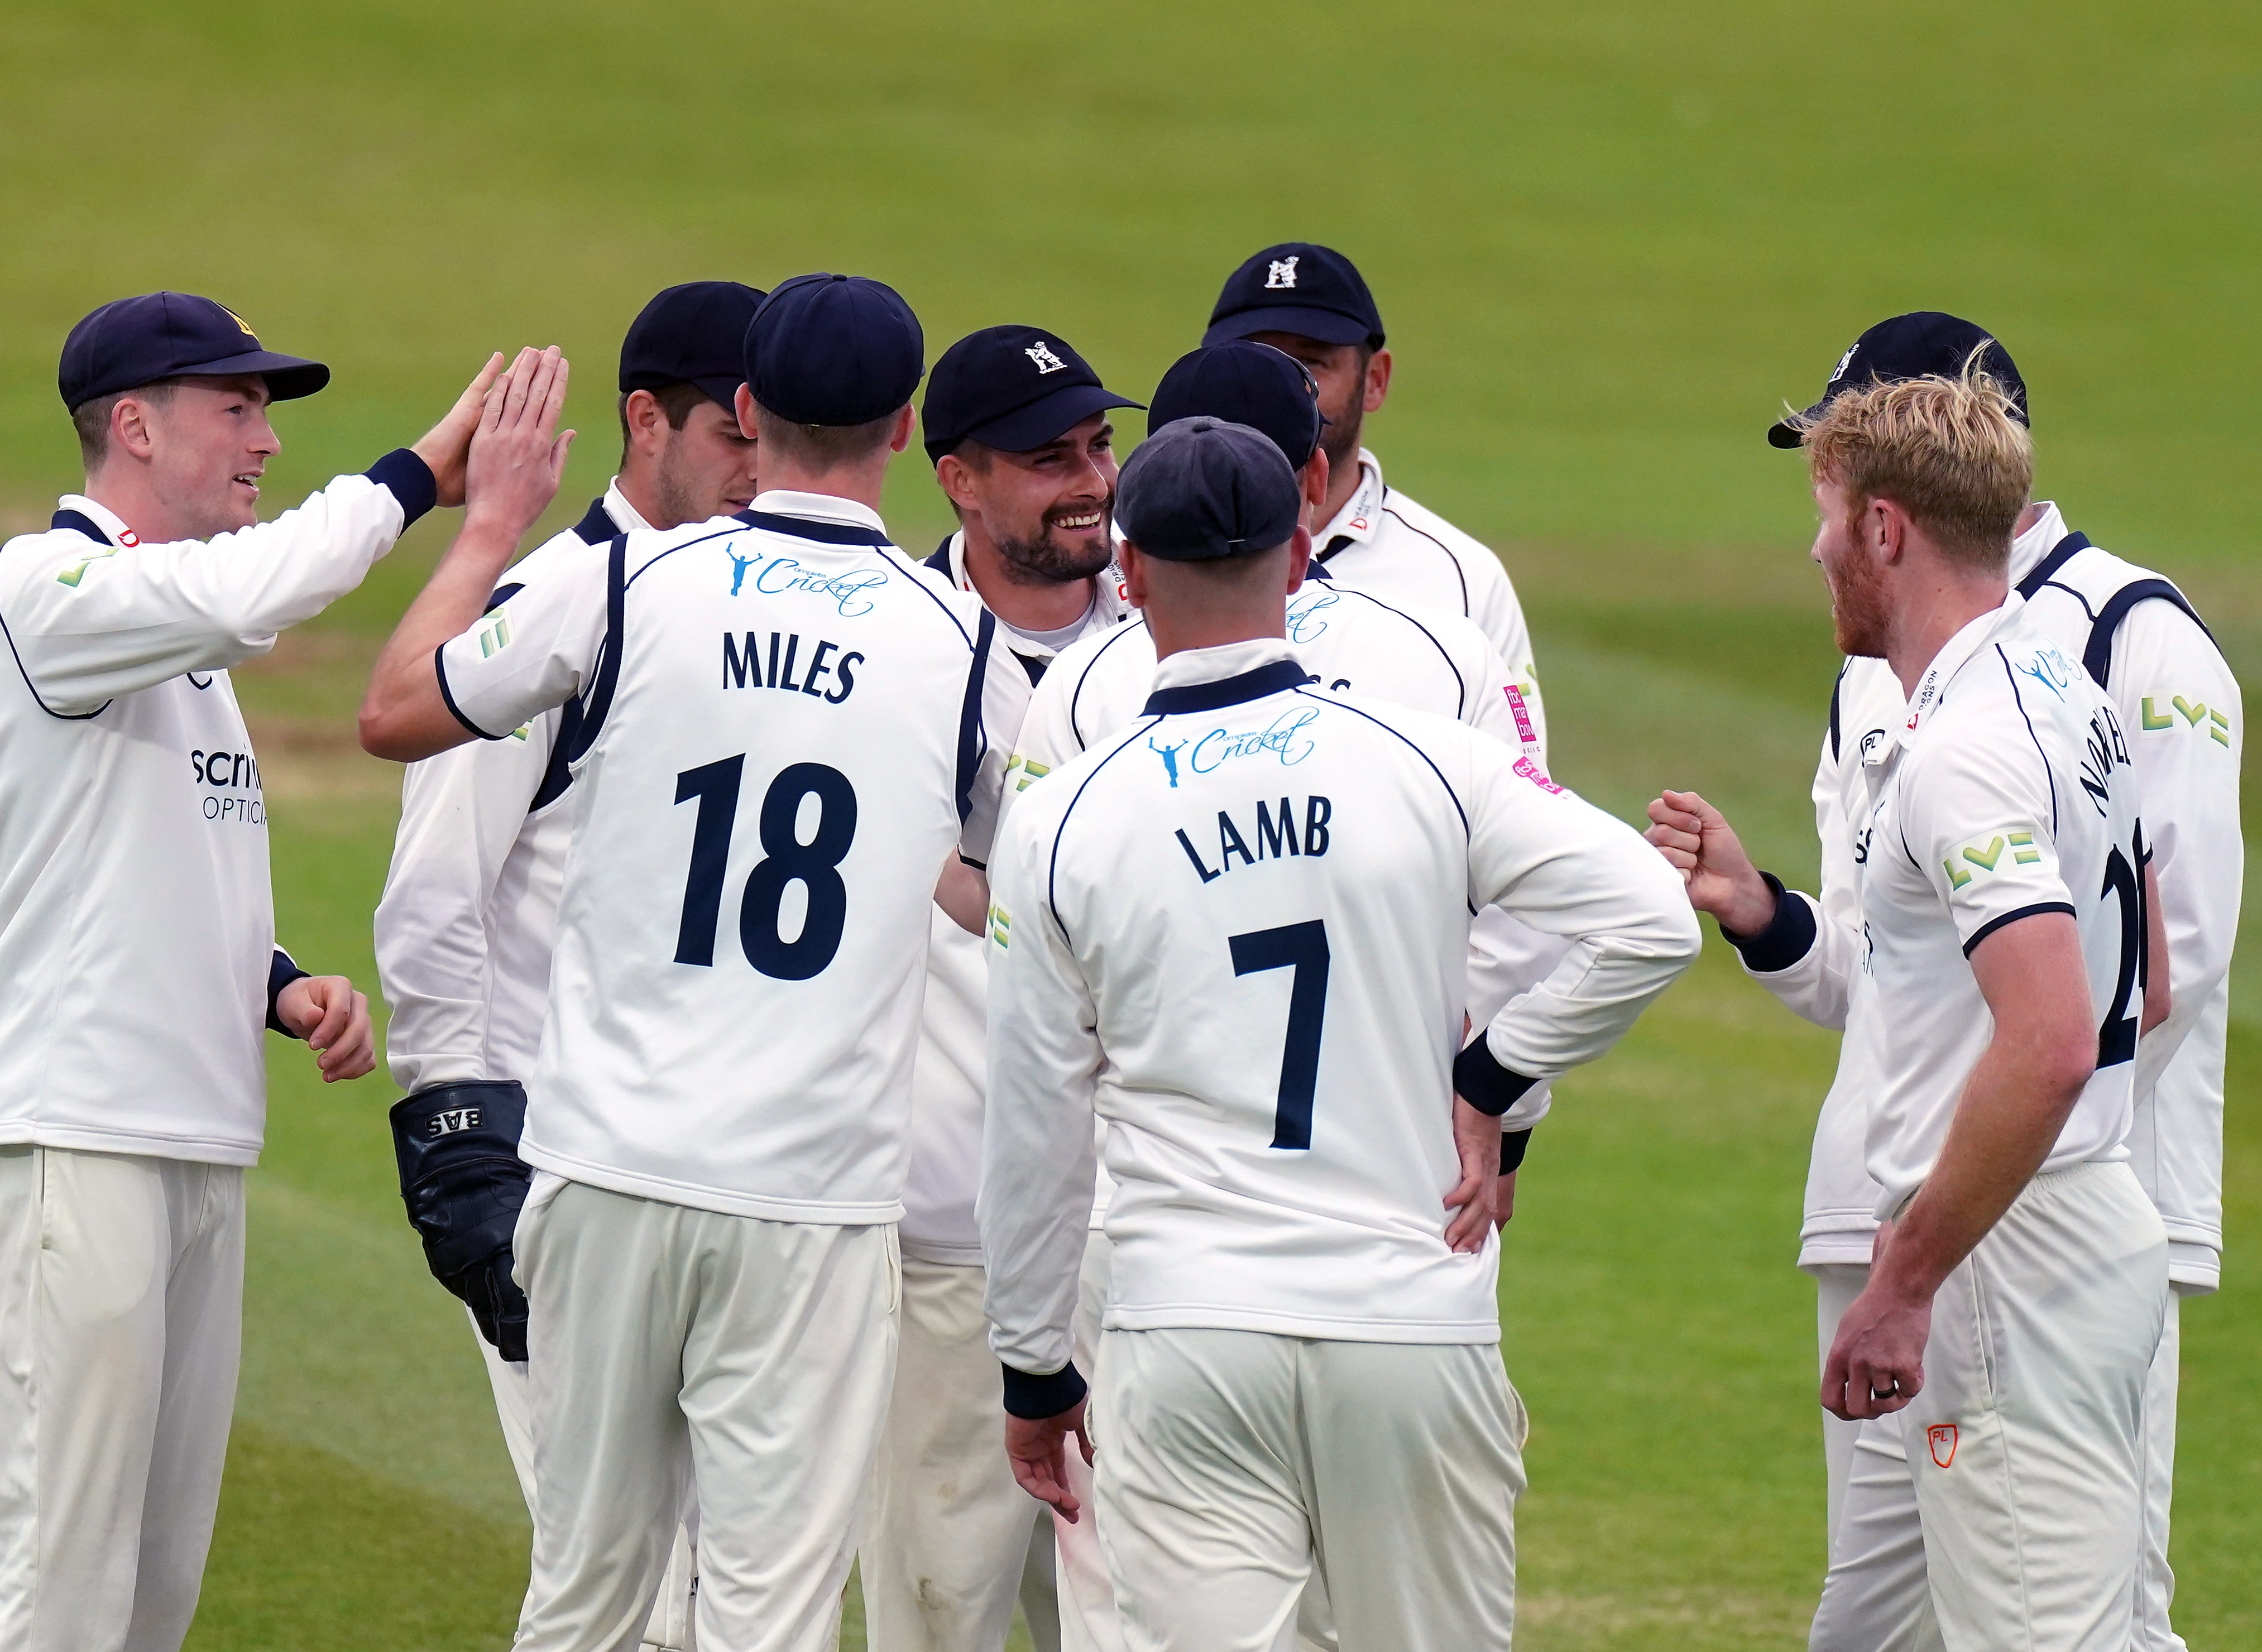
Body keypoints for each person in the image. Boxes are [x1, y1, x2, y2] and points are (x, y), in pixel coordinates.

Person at [355, 276, 1029, 1652]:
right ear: (905, 427)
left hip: (604, 1169)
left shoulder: (615, 582)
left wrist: (488, 524)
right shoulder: (960, 640)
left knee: (586, 1598)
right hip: (814, 1199)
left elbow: (395, 712)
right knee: (766, 1614)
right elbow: (1017, 884)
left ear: (753, 413)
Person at [979, 417, 1700, 1650]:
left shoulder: (1067, 815)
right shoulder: (1435, 760)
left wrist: (1036, 1370)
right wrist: (1495, 1074)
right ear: (1301, 562)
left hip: (1189, 1328)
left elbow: (1035, 1125)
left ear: (1131, 573)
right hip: (1412, 1321)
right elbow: (1652, 919)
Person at [1655, 315, 2242, 1652]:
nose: (1810, 546)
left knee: (2044, 1628)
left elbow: (2059, 1036)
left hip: (2003, 1230)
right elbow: (2124, 959)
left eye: (1826, 509)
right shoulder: (2054, 689)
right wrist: (1769, 916)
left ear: (1887, 528)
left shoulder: (1969, 742)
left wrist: (1911, 1268)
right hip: (2055, 1215)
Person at [0, 290, 523, 1651]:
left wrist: (277, 981)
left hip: (191, 1133)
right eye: (239, 404)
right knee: (61, 1579)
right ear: (134, 424)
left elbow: (121, 861)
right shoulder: (52, 585)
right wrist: (423, 477)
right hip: (69, 1130)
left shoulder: (175, 643)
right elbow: (261, 582)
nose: (265, 437)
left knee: (152, 1587)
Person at [372, 278, 765, 1651]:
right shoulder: (547, 604)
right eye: (734, 433)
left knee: (731, 1596)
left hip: (719, 1176)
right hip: (558, 1182)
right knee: (629, 1598)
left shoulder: (744, 625)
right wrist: (460, 1135)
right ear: (644, 420)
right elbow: (433, 896)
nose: (757, 468)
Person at [862, 323, 1140, 1652]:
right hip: (945, 1234)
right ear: (959, 477)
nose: (1091, 477)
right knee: (937, 1606)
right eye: (1049, 457)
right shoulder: (886, 654)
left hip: (1141, 1241)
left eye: (1100, 444)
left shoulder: (1171, 650)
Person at [1201, 241, 1544, 735]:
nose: (1277, 388)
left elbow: (1517, 785)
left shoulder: (1463, 577)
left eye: (1311, 364)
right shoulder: (1134, 555)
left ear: (1376, 380)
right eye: (1255, 360)